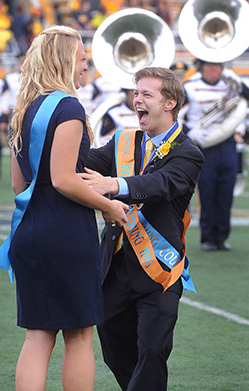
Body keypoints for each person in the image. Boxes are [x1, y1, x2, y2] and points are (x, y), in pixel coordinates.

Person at [0, 25, 128, 391]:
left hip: (29, 231)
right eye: (83, 59)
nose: (86, 67)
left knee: (37, 337)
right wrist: (108, 207)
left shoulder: (23, 109)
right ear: (66, 61)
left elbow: (19, 186)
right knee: (80, 336)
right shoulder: (68, 107)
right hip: (66, 233)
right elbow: (64, 179)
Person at [80, 67, 204, 391]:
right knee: (113, 347)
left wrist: (113, 184)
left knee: (152, 351)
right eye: (136, 94)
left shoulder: (189, 153)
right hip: (115, 268)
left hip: (159, 271)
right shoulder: (123, 140)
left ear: (170, 103)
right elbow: (86, 163)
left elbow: (160, 184)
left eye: (146, 95)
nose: (137, 100)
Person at [179, 59, 249, 251]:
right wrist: (189, 131)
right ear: (201, 67)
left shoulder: (231, 85)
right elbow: (176, 115)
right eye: (209, 65)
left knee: (226, 190)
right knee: (207, 190)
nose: (213, 69)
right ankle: (208, 237)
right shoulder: (190, 87)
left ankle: (222, 236)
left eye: (217, 65)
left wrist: (239, 83)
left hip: (227, 144)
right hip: (203, 144)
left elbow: (245, 100)